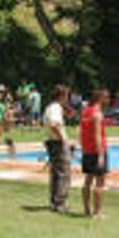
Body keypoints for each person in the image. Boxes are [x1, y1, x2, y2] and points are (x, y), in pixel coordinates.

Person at [81, 89, 110, 218]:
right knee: (99, 183)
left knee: (87, 181)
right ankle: (97, 212)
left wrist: (84, 148)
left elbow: (81, 133)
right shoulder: (98, 114)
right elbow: (98, 135)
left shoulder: (86, 112)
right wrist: (101, 155)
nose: (108, 100)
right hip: (97, 150)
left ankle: (87, 210)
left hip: (87, 150)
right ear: (100, 99)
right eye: (106, 98)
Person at [44, 85, 72, 214]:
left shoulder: (50, 107)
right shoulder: (56, 108)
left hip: (51, 141)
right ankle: (60, 203)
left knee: (56, 173)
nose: (68, 99)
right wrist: (64, 140)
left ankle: (54, 201)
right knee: (63, 173)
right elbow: (55, 124)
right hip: (57, 142)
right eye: (67, 96)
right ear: (61, 96)